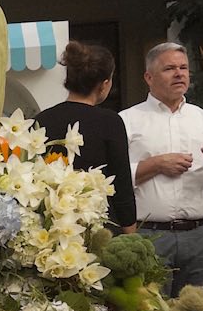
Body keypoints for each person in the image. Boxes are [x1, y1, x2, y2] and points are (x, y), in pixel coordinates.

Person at [120, 43, 203, 293]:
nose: (179, 74)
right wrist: (155, 164)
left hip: (200, 235)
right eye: (170, 68)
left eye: (184, 68)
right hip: (148, 236)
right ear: (148, 77)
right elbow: (111, 179)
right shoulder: (127, 121)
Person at [35, 41, 136, 230]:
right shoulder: (110, 121)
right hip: (100, 226)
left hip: (51, 226)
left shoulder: (41, 120)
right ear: (104, 84)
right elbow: (122, 187)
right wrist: (131, 234)